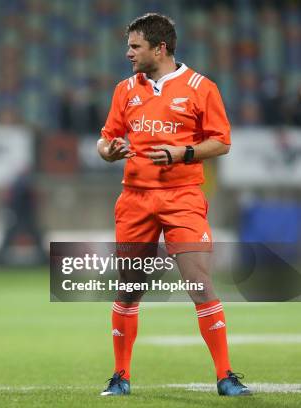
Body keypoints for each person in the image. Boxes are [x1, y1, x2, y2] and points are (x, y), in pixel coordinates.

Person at [97, 14, 250, 396]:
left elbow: (222, 142)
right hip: (134, 198)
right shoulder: (124, 90)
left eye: (135, 46)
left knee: (199, 283)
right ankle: (120, 377)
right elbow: (105, 140)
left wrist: (184, 153)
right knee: (130, 288)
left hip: (182, 198)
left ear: (159, 48)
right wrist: (109, 152)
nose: (128, 53)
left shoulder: (201, 88)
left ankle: (225, 375)